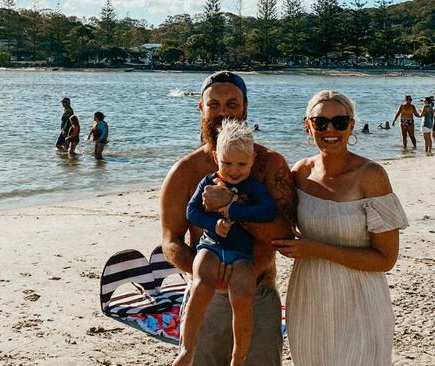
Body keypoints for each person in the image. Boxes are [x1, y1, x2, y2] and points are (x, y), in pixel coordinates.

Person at [160, 70, 296, 366]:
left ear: (245, 107)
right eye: (214, 104)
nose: (223, 112)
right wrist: (207, 277)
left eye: (232, 104)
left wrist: (233, 204)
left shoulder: (270, 164)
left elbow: (286, 233)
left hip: (258, 294)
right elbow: (170, 241)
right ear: (201, 108)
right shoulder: (185, 171)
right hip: (206, 297)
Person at [272, 90, 408, 365]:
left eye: (339, 122)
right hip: (310, 298)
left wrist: (316, 249)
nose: (330, 129)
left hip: (362, 300)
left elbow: (386, 259)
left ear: (352, 125)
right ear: (307, 126)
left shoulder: (371, 176)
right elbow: (272, 222)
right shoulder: (299, 173)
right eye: (320, 122)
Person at [174, 119, 276, 366]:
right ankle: (187, 350)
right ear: (216, 158)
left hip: (241, 253)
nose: (234, 170)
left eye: (242, 164)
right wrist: (214, 224)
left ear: (252, 160)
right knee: (201, 286)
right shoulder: (208, 182)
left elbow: (268, 211)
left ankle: (238, 356)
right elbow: (192, 212)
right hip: (210, 247)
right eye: (227, 162)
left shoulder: (252, 187)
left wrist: (234, 209)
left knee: (242, 296)